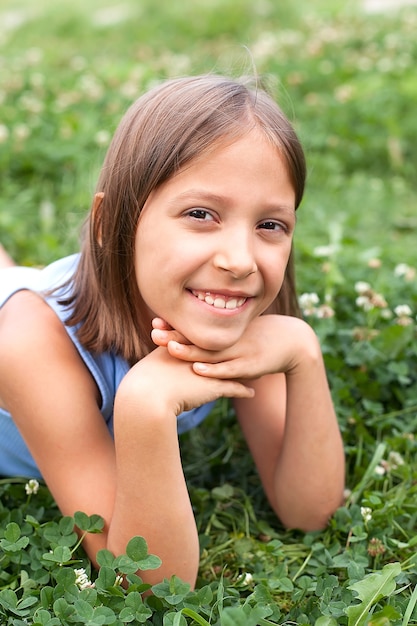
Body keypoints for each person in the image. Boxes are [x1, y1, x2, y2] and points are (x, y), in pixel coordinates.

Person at [0, 74, 345, 587]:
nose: (239, 261)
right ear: (109, 222)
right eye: (201, 214)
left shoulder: (239, 316)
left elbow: (309, 513)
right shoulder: (31, 344)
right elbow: (147, 584)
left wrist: (303, 354)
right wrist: (145, 403)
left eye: (270, 224)